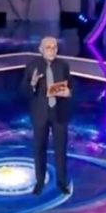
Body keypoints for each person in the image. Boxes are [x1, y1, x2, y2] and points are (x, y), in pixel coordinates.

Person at [21, 36, 72, 195]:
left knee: (60, 150)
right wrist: (32, 84)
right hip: (40, 115)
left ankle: (61, 183)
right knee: (39, 149)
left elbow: (71, 86)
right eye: (48, 47)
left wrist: (69, 92)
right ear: (41, 50)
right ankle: (40, 182)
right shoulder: (32, 66)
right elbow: (24, 91)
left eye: (54, 47)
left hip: (59, 114)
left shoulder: (63, 66)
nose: (52, 50)